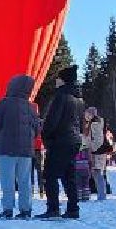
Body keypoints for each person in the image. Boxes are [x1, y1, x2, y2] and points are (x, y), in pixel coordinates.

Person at [0, 74, 42, 219]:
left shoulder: (3, 104)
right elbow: (37, 129)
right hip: (26, 151)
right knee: (25, 181)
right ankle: (25, 209)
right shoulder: (31, 107)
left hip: (6, 148)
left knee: (7, 181)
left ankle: (7, 209)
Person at [39, 67, 84, 219]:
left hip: (61, 140)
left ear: (63, 79)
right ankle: (73, 208)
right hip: (74, 140)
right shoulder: (79, 99)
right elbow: (81, 123)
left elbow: (52, 120)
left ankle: (53, 208)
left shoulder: (61, 96)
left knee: (50, 174)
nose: (56, 81)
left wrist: (46, 136)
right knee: (68, 175)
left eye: (58, 78)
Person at [80, 106, 111, 201]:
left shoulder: (95, 124)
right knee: (97, 173)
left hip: (97, 151)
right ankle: (101, 194)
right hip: (100, 150)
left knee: (97, 173)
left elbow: (94, 139)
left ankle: (102, 195)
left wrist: (89, 149)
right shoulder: (99, 122)